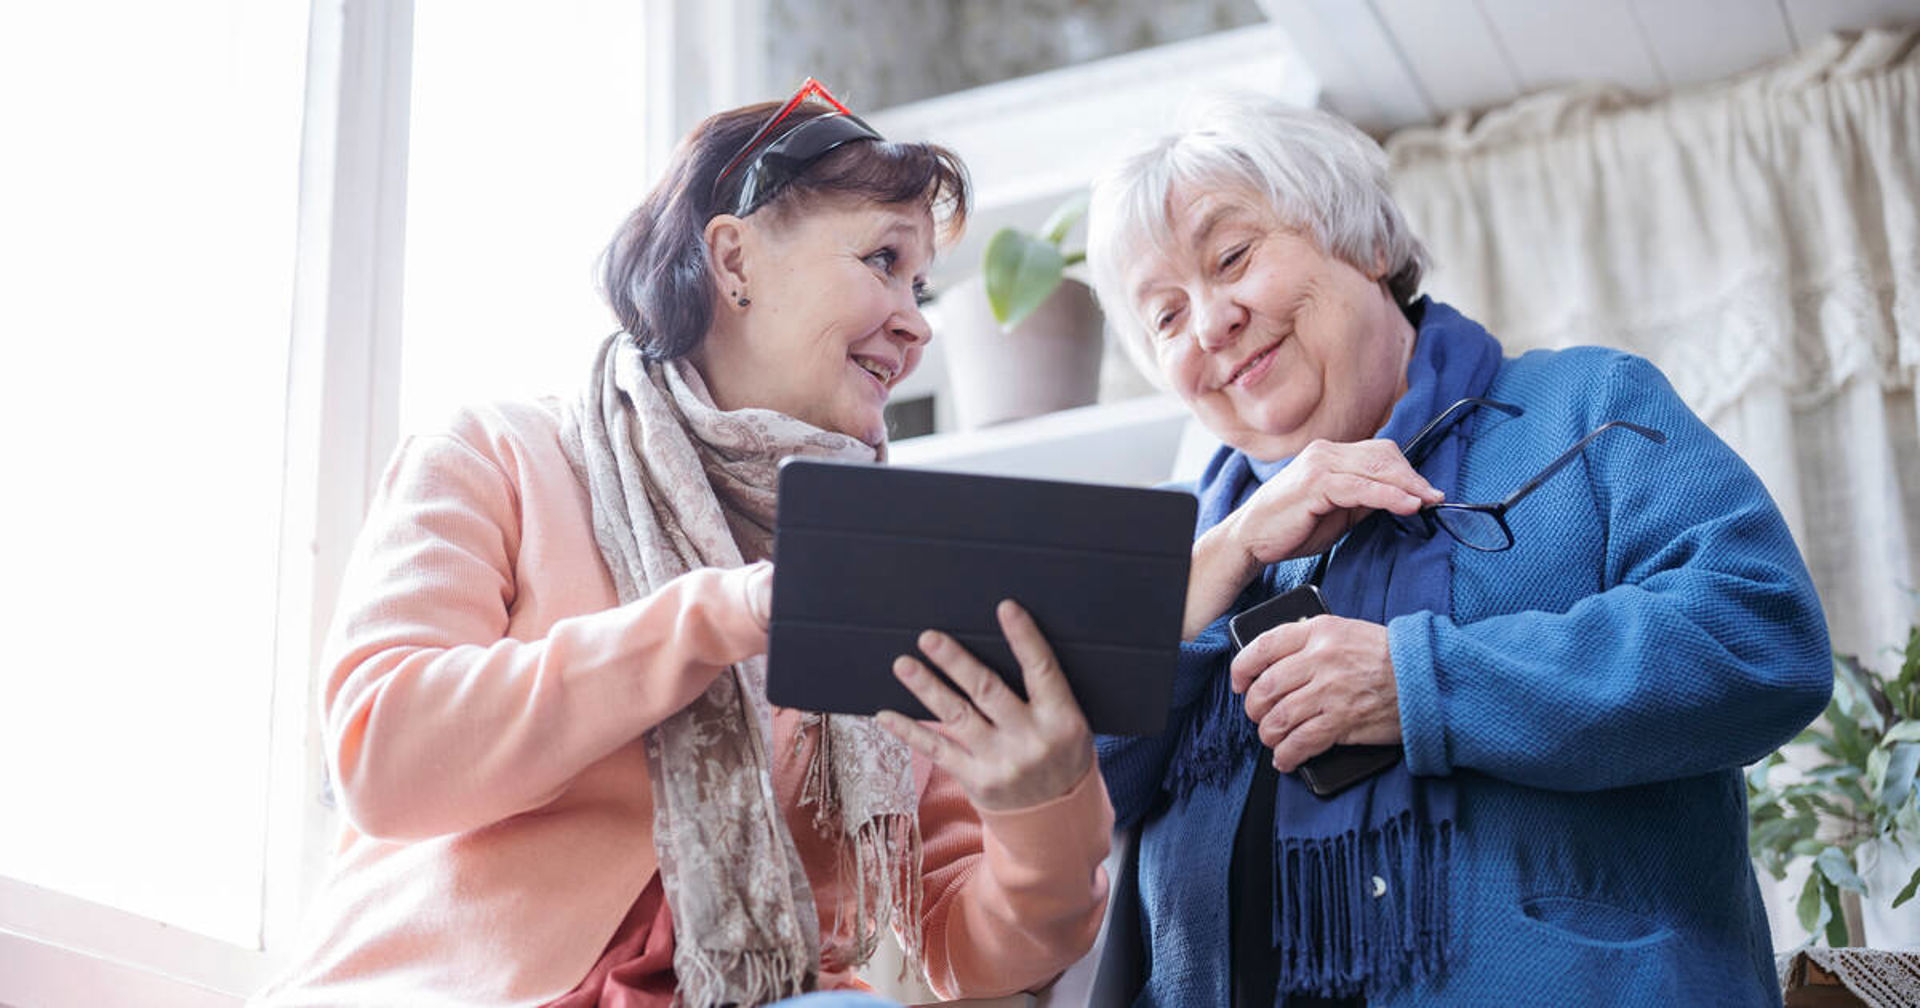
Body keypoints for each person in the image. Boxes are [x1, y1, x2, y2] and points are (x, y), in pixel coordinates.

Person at [251, 79, 1113, 1008]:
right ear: (734, 261)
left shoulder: (889, 578)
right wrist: (723, 615)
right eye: (882, 259)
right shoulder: (500, 454)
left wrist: (1047, 806)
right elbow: (387, 757)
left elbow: (967, 951)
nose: (916, 323)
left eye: (921, 285)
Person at [1084, 93, 1831, 1007]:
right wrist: (1231, 551)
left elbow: (1761, 633)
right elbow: (1054, 792)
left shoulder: (1591, 406)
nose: (1208, 324)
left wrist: (1421, 680)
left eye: (1232, 256)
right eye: (1164, 317)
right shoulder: (1185, 544)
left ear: (1365, 243)